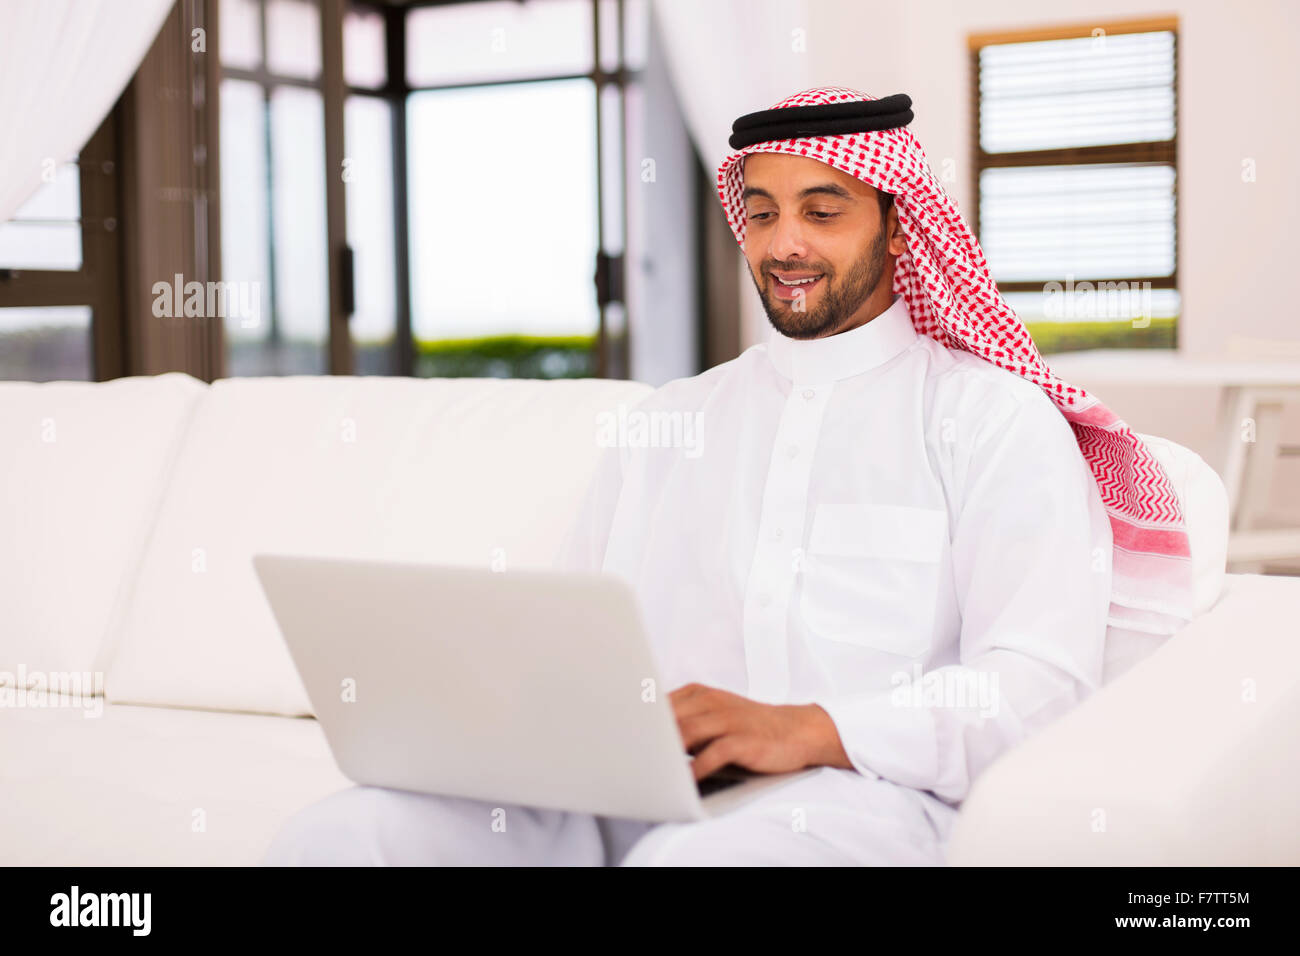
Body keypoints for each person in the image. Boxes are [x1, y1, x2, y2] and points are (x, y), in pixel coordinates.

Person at [263, 87, 1194, 867]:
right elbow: (568, 640)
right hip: (630, 793)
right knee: (350, 835)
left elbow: (1035, 685)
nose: (786, 243)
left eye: (823, 211)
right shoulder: (673, 420)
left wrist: (809, 727)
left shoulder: (988, 420)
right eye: (762, 213)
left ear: (903, 228)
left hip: (861, 801)